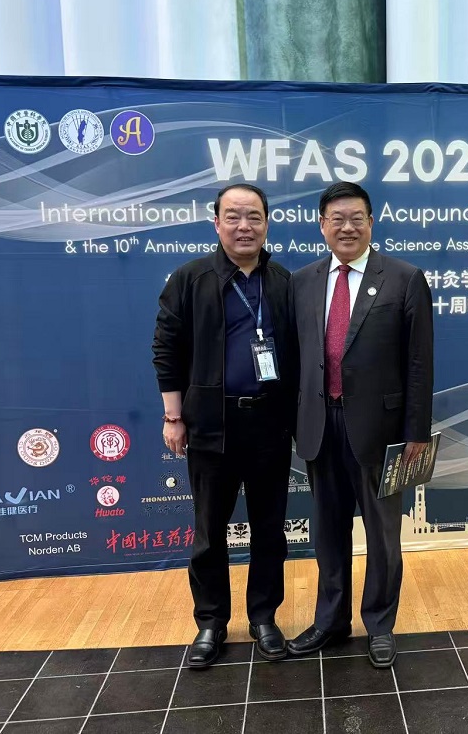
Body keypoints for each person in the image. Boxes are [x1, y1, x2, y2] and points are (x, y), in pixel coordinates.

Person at [287, 181, 433, 668]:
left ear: (371, 222)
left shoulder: (404, 278)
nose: (347, 227)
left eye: (356, 218)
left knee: (383, 535)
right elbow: (295, 358)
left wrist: (416, 430)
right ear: (322, 225)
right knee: (328, 533)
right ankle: (330, 621)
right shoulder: (302, 281)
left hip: (381, 430)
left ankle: (380, 625)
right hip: (319, 425)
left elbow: (419, 362)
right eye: (337, 219)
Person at [152, 183, 297, 668]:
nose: (244, 226)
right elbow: (166, 349)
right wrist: (174, 416)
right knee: (210, 532)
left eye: (254, 216)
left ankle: (264, 618)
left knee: (270, 530)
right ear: (216, 223)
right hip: (211, 425)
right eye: (233, 216)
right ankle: (211, 622)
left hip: (270, 423)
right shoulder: (190, 278)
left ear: (267, 223)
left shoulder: (283, 281)